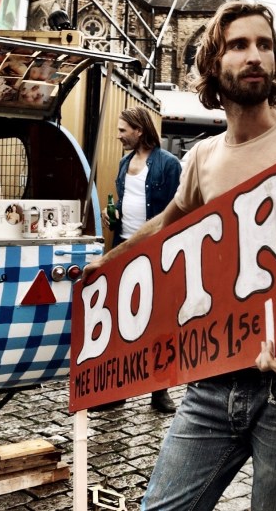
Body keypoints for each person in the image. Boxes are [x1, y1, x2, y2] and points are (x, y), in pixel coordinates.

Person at [82, 1, 276, 511]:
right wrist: (109, 265)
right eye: (239, 45)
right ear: (214, 64)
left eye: (264, 45)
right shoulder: (202, 156)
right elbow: (167, 223)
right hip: (212, 376)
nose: (255, 55)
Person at [97, 107, 182, 414]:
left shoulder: (169, 164)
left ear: (139, 130)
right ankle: (117, 390)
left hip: (157, 251)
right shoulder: (124, 162)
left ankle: (160, 390)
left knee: (159, 321)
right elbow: (126, 200)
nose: (118, 135)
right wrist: (112, 213)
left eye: (123, 130)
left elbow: (179, 208)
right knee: (122, 320)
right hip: (123, 246)